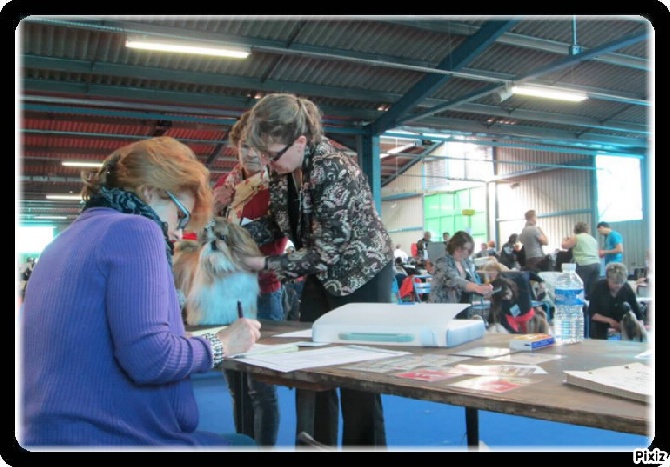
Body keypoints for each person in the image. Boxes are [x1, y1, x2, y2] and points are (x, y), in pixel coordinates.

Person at [20, 136, 261, 447]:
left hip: (48, 434)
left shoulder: (64, 241)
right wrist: (223, 343)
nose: (177, 231)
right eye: (180, 215)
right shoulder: (136, 229)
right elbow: (149, 358)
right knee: (246, 444)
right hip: (106, 437)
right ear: (150, 193)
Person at [241, 93, 395, 447]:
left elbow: (327, 250)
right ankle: (314, 443)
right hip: (321, 273)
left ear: (300, 140)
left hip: (363, 274)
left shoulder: (335, 168)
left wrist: (264, 263)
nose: (266, 161)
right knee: (311, 369)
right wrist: (234, 237)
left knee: (358, 378)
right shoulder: (284, 170)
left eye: (272, 154)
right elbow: (279, 223)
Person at [211, 111, 287, 446]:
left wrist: (232, 238)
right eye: (244, 145)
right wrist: (213, 207)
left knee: (261, 386)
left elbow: (277, 232)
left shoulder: (277, 183)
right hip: (225, 293)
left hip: (263, 291)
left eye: (257, 145)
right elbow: (204, 233)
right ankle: (242, 443)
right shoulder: (224, 187)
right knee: (236, 384)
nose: (250, 152)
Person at [428, 230, 494, 304]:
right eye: (461, 249)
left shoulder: (465, 262)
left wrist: (483, 288)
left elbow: (472, 282)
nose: (465, 252)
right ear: (453, 246)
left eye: (468, 250)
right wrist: (477, 288)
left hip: (462, 306)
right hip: (442, 306)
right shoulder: (442, 261)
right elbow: (455, 280)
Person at [588, 262, 643, 340]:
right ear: (607, 279)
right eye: (615, 283)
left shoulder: (626, 288)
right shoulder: (598, 287)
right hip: (600, 326)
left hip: (621, 327)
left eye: (621, 283)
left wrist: (640, 328)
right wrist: (610, 321)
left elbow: (638, 312)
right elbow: (592, 313)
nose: (618, 285)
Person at [561, 221, 600, 300]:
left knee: (581, 288)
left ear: (575, 229)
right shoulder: (592, 239)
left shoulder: (576, 237)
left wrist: (564, 240)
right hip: (596, 264)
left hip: (584, 264)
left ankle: (582, 308)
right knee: (592, 290)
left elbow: (564, 246)